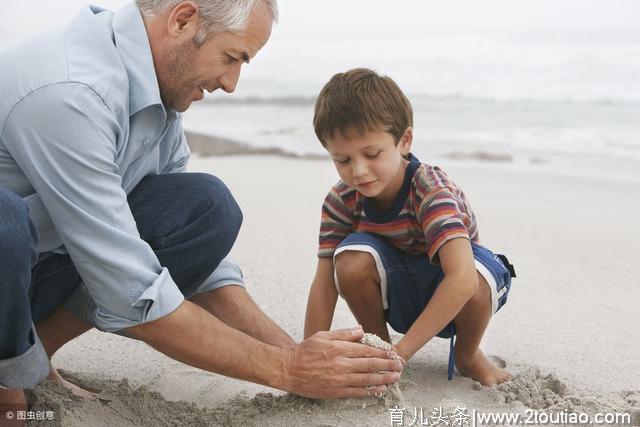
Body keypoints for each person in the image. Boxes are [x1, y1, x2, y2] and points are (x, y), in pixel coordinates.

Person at [0, 1, 402, 415]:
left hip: (23, 278)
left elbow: (194, 257)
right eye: (232, 58)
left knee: (206, 209)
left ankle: (35, 350)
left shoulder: (156, 95)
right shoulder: (73, 92)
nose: (231, 83)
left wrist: (300, 355)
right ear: (183, 19)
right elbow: (127, 288)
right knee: (5, 224)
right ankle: (8, 386)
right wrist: (288, 369)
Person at [304, 68, 516, 386]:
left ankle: (468, 355)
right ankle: (380, 348)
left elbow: (461, 279)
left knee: (474, 272)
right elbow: (325, 283)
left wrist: (403, 354)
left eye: (371, 153)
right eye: (343, 160)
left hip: (461, 300)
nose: (358, 171)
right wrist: (309, 357)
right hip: (400, 297)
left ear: (404, 141)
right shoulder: (340, 200)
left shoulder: (430, 188)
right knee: (348, 259)